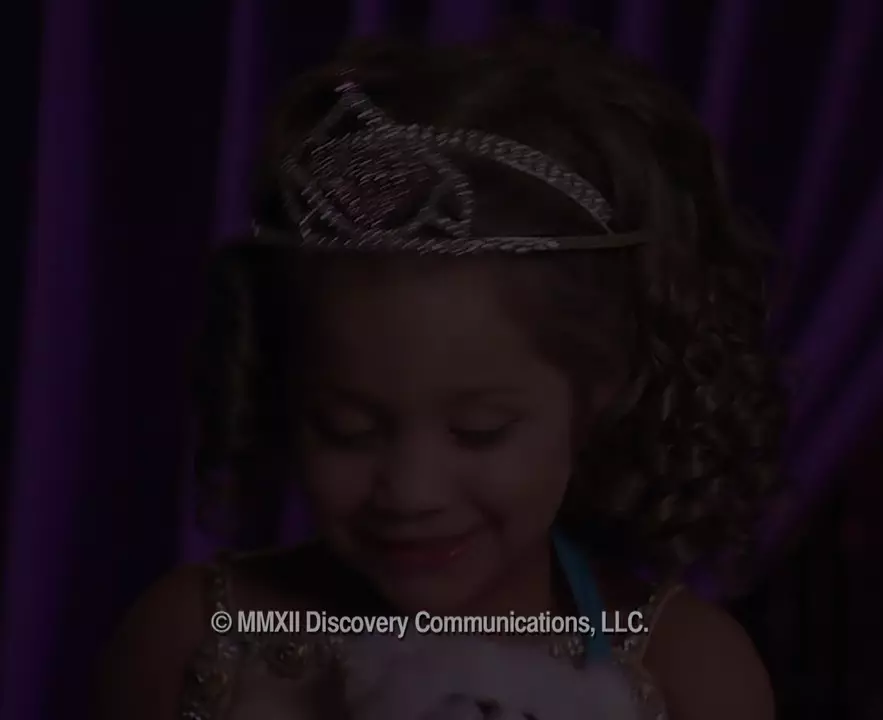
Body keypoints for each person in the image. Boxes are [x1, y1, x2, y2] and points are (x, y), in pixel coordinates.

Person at [96, 24, 785, 720]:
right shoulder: (189, 643)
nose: (412, 491)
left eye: (480, 430)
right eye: (347, 430)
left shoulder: (692, 672)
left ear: (601, 390)